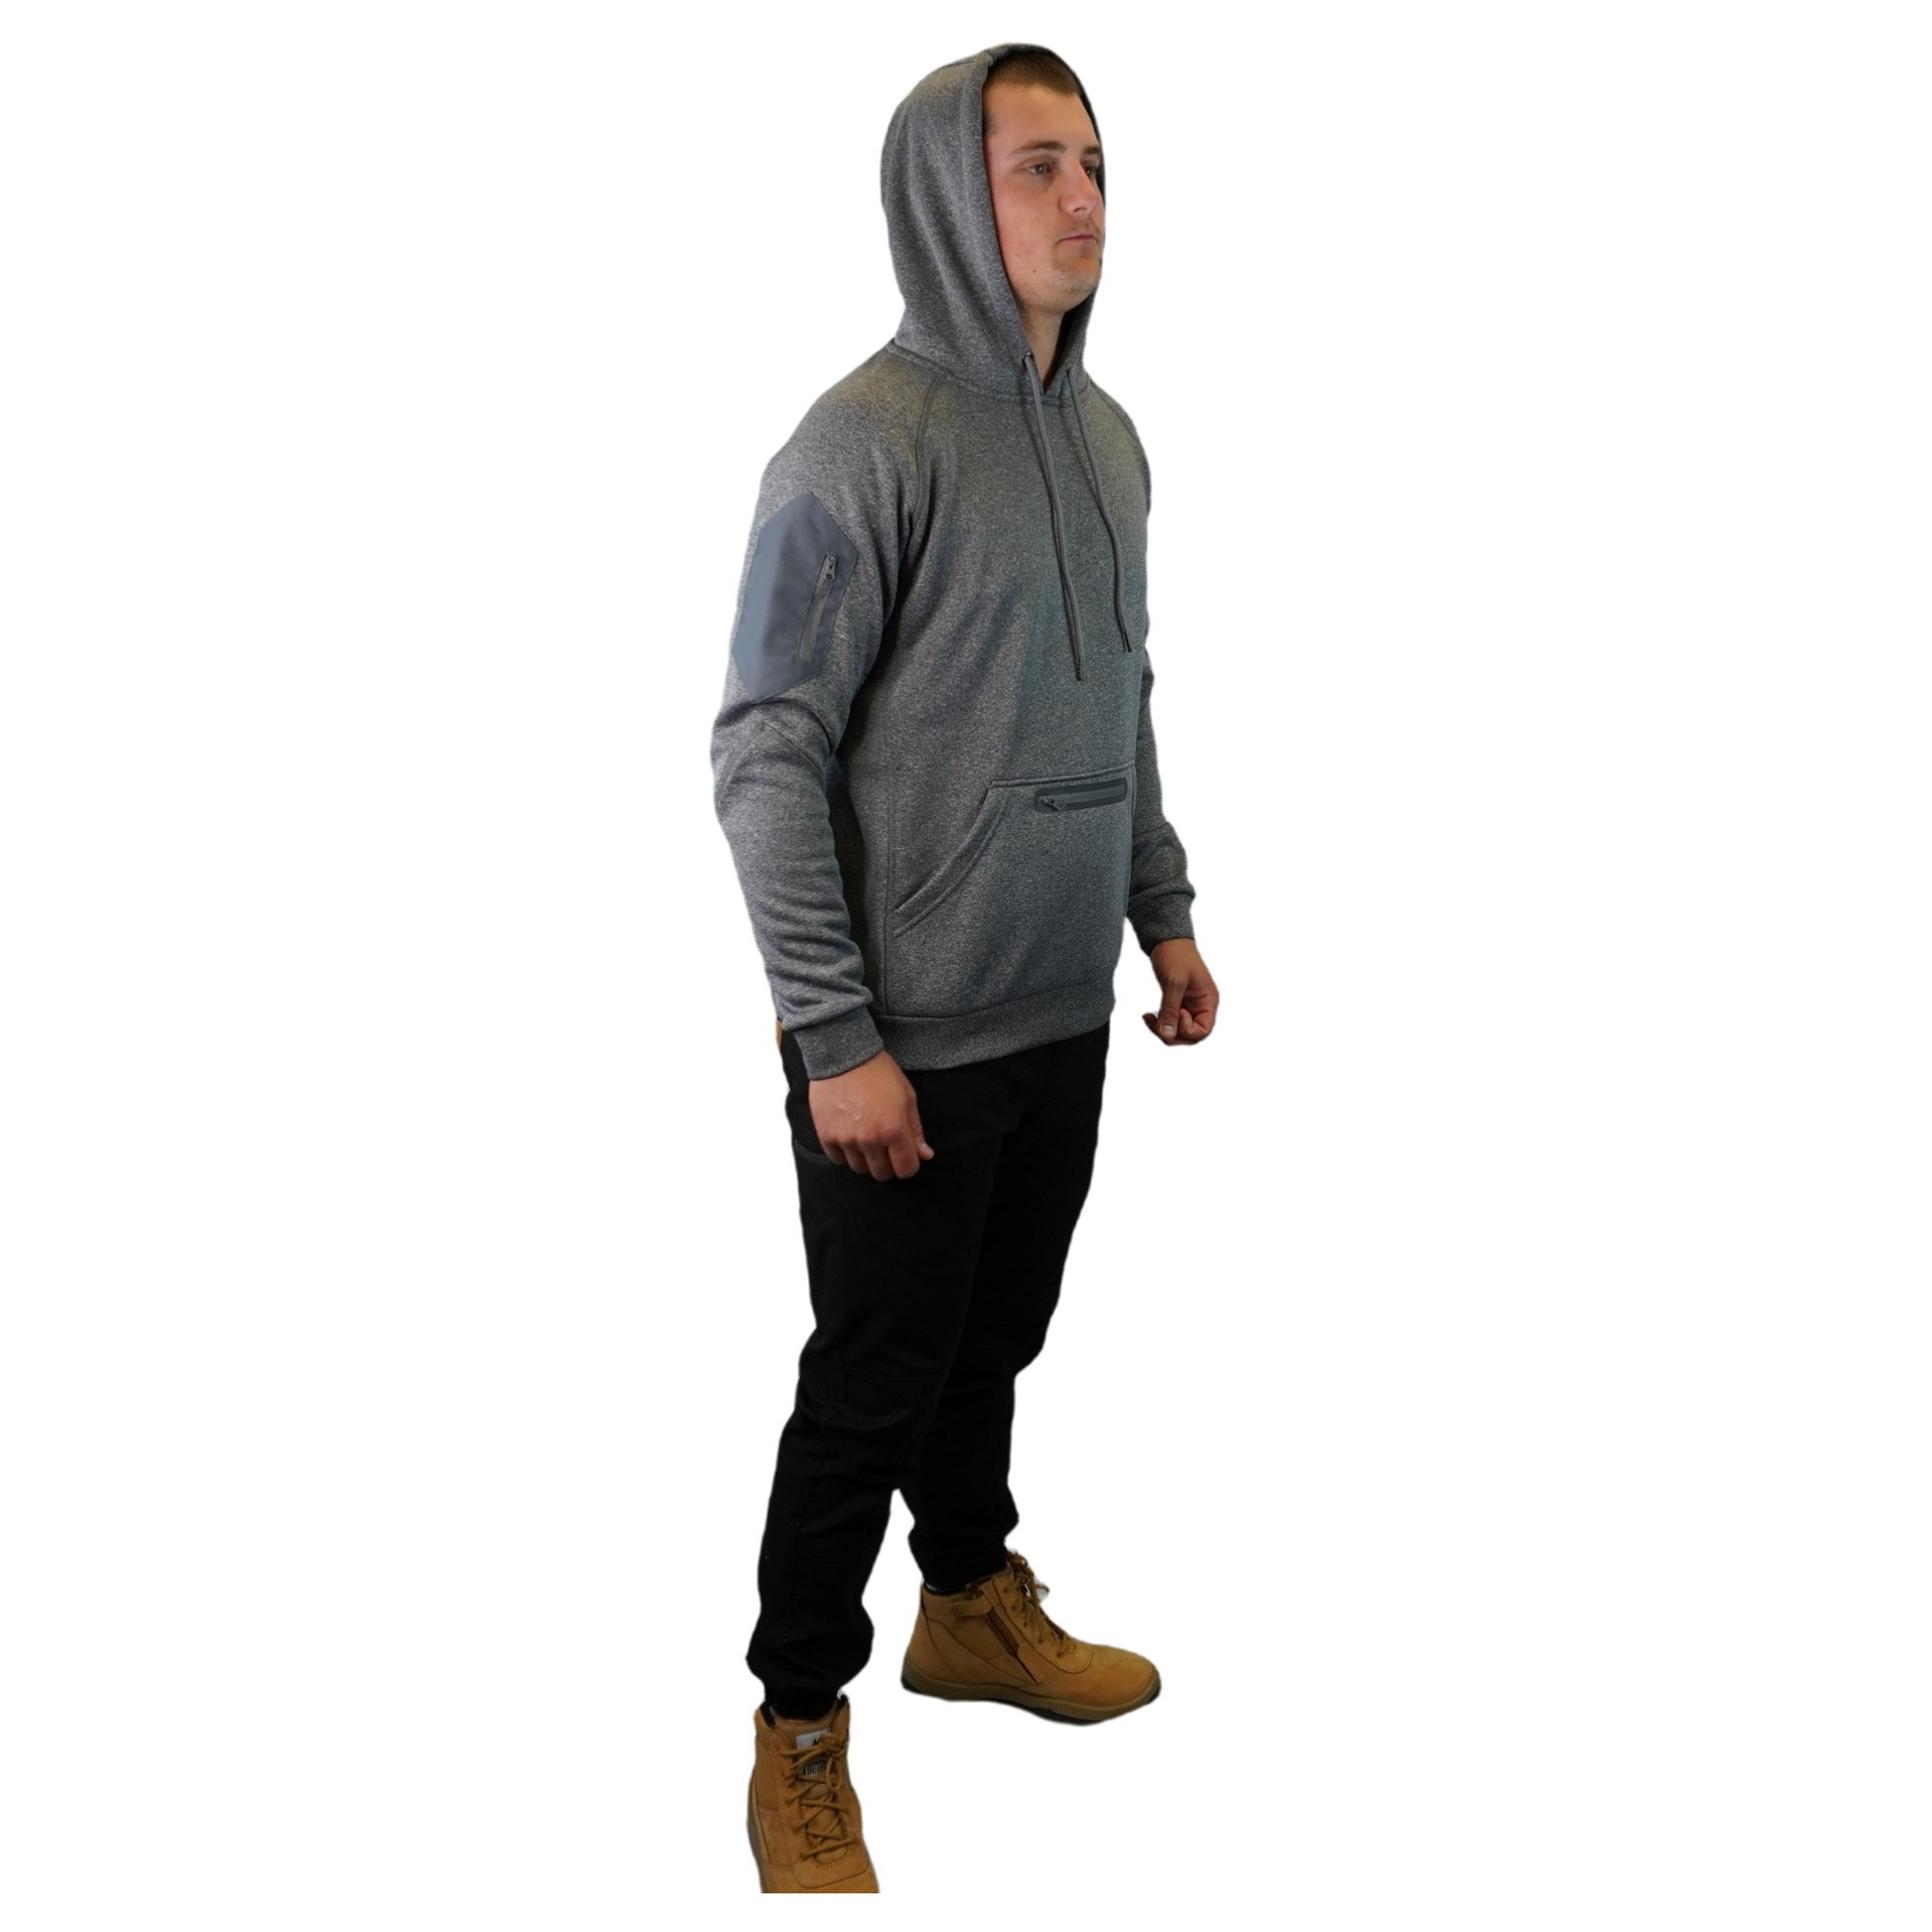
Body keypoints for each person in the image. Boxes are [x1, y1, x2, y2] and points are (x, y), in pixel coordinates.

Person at [708, 41, 1223, 1895]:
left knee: (991, 1350)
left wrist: (1161, 907)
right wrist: (830, 1028)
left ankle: (968, 1608)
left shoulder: (1110, 434)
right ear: (941, 190)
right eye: (1033, 166)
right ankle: (797, 1726)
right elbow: (760, 745)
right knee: (870, 1381)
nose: (1083, 197)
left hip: (1062, 1007)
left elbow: (1117, 699)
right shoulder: (862, 439)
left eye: (1092, 160)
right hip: (900, 1036)